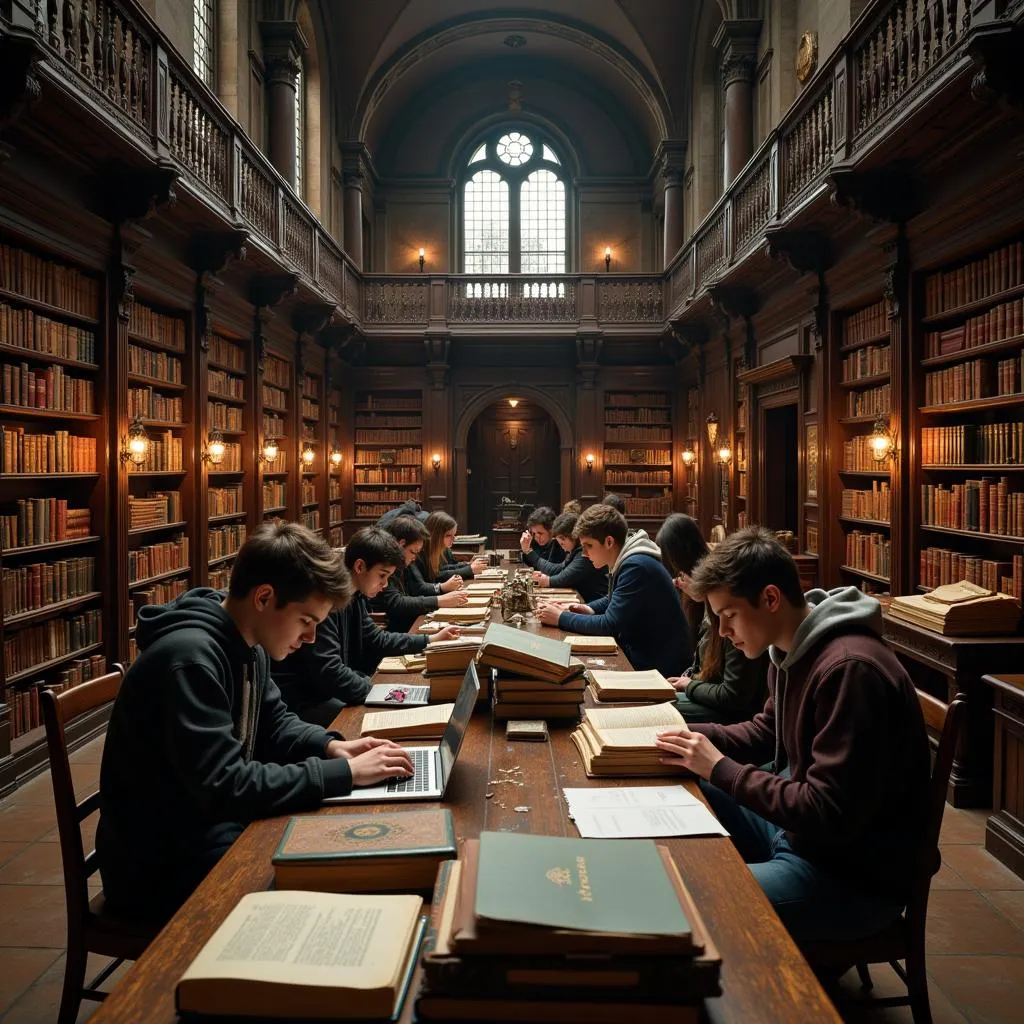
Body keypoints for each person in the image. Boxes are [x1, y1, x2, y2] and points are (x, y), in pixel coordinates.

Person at [97, 522, 414, 922]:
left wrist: (331, 746)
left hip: (207, 828)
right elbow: (226, 786)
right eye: (305, 621)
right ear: (264, 597)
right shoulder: (189, 663)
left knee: (349, 857)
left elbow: (276, 722)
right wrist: (343, 774)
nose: (312, 637)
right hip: (157, 863)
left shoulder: (249, 643)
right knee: (323, 891)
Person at [654, 526, 931, 944]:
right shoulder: (789, 649)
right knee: (694, 785)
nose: (723, 632)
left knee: (684, 896)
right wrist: (686, 734)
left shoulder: (849, 669)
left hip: (851, 878)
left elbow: (827, 810)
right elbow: (767, 730)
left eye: (728, 615)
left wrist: (720, 767)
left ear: (770, 598)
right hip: (804, 841)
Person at [274, 527, 460, 725]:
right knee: (389, 720)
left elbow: (376, 639)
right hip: (306, 704)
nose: (385, 584)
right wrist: (378, 691)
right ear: (360, 566)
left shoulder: (355, 596)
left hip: (326, 692)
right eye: (382, 575)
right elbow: (329, 671)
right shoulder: (326, 601)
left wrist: (430, 640)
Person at [537, 503, 690, 676]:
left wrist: (560, 617)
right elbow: (614, 597)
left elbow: (609, 624)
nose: (584, 554)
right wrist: (590, 608)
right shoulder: (628, 559)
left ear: (609, 541)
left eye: (588, 546)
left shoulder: (636, 566)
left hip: (657, 667)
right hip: (641, 655)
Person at [656, 513, 768, 724]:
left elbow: (734, 696)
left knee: (657, 712)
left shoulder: (731, 609)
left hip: (729, 711)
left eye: (681, 574)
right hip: (709, 694)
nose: (678, 583)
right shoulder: (704, 606)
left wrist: (689, 686)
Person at [371, 515, 469, 633]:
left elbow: (416, 589)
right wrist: (439, 600)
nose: (415, 558)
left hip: (406, 626)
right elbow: (397, 603)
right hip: (398, 629)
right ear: (401, 544)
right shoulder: (386, 566)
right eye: (413, 552)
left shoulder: (404, 562)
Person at [531, 511, 608, 604]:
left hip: (594, 603)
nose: (561, 545)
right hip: (589, 602)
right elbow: (560, 569)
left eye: (562, 541)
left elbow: (565, 577)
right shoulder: (574, 550)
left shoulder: (584, 552)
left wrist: (546, 581)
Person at [417, 510, 488, 585]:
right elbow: (435, 577)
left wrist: (468, 565)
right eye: (448, 535)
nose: (454, 539)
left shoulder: (445, 549)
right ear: (435, 536)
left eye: (454, 535)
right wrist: (469, 569)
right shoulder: (421, 552)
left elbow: (447, 567)